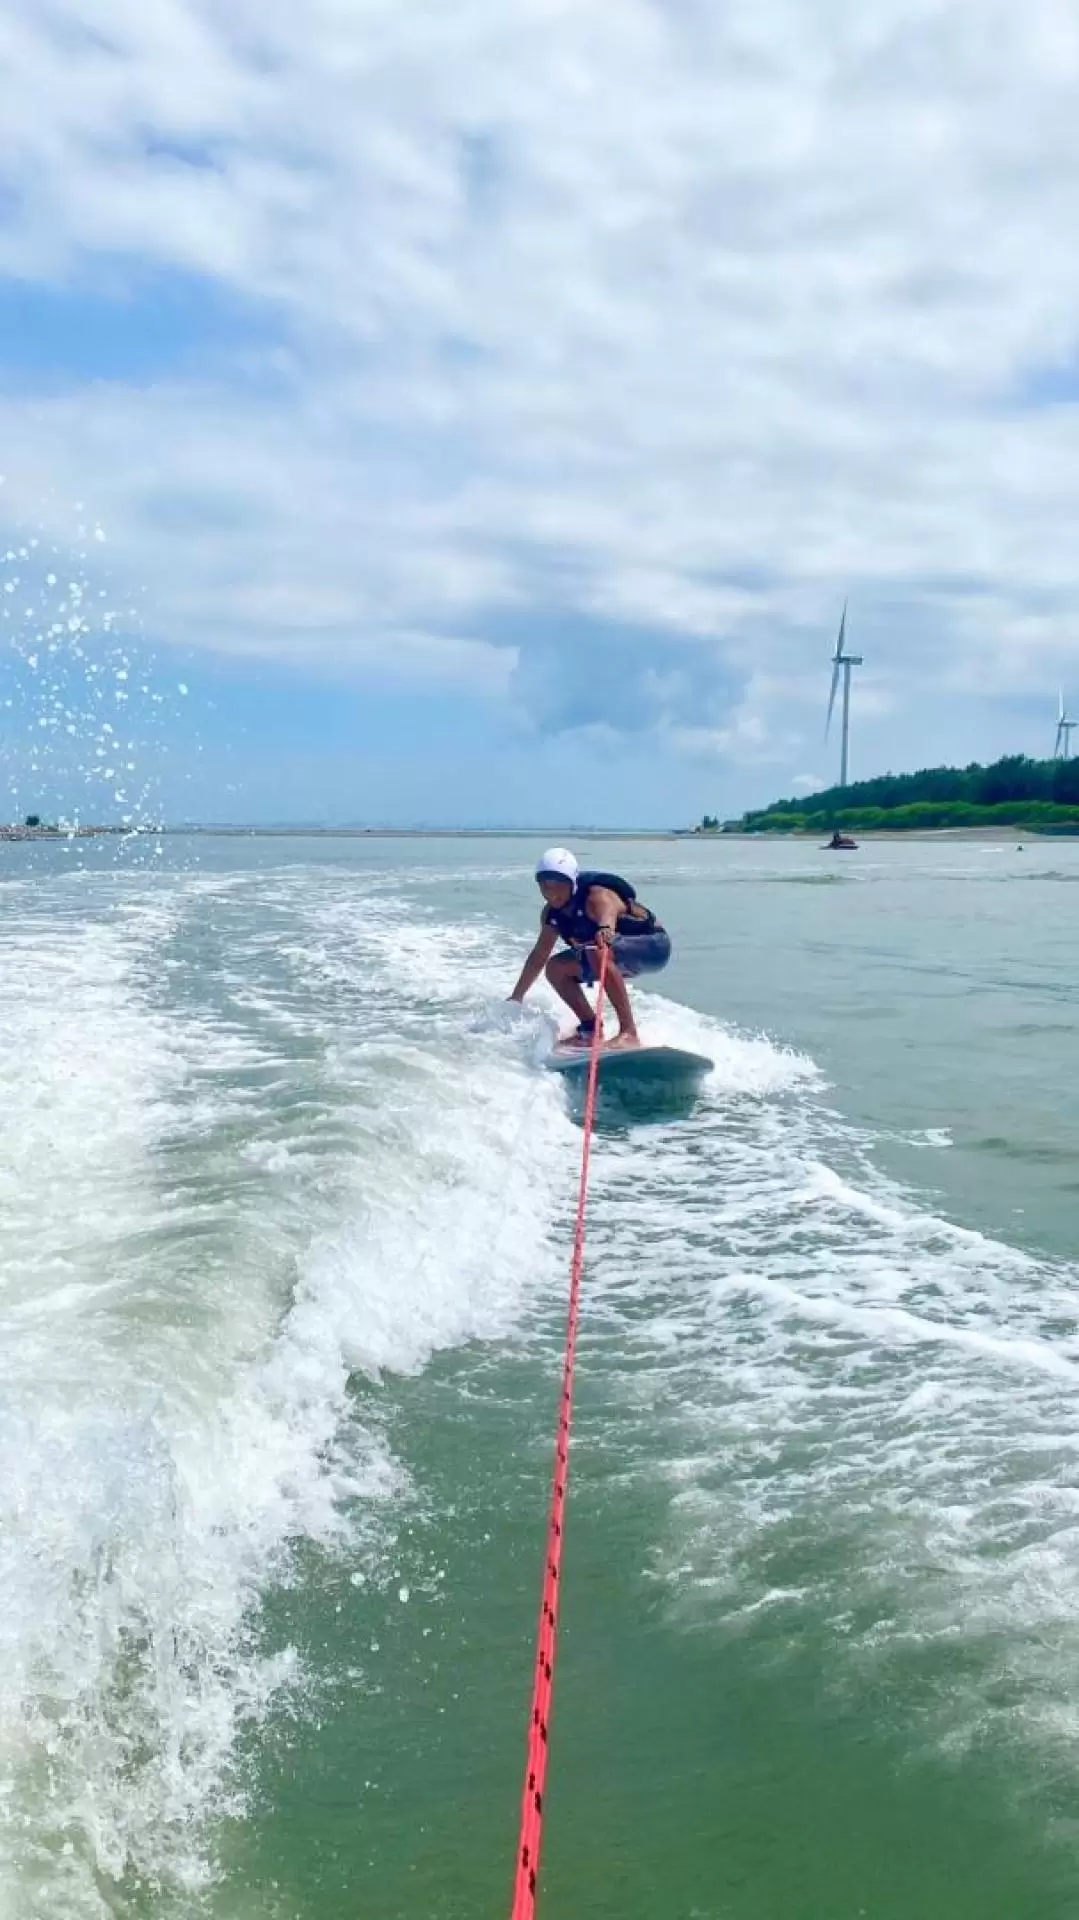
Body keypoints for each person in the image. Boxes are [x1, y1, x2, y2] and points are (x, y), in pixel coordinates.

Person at [508, 848, 671, 1049]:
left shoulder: (597, 896)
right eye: (545, 885)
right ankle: (590, 1030)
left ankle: (629, 1032)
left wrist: (605, 929)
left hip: (653, 947)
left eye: (558, 885)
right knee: (555, 968)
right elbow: (539, 955)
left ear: (572, 882)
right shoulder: (551, 915)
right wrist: (517, 997)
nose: (551, 893)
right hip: (610, 957)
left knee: (595, 950)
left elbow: (607, 917)